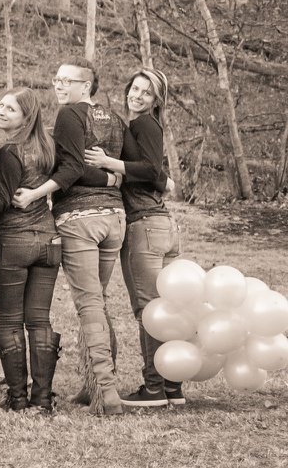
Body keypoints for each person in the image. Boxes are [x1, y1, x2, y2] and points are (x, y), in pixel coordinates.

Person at [11, 59, 127, 415]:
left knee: (89, 305)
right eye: (56, 79)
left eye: (66, 80)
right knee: (98, 302)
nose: (58, 85)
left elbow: (73, 168)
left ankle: (107, 393)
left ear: (86, 85)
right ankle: (93, 386)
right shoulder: (115, 118)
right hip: (114, 218)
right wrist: (112, 178)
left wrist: (35, 192)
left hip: (80, 219)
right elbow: (125, 167)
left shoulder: (69, 115)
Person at [0, 88, 64, 412]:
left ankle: (18, 398)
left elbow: (3, 199)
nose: (1, 111)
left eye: (10, 109)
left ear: (26, 117)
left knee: (9, 321)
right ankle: (42, 399)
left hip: (14, 241)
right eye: (1, 105)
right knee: (39, 320)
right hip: (48, 240)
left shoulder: (9, 151)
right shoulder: (47, 146)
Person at [85, 69, 181, 409]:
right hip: (162, 225)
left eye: (146, 92)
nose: (137, 96)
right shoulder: (145, 126)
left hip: (144, 225)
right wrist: (164, 180)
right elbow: (155, 171)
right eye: (135, 89)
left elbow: (150, 169)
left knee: (149, 310)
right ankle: (173, 386)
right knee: (167, 309)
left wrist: (108, 162)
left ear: (156, 100)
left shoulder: (144, 124)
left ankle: (154, 389)